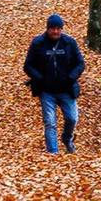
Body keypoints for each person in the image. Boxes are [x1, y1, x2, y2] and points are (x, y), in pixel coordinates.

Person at [24, 13, 84, 154]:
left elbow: (80, 63)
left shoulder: (69, 42)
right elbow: (28, 66)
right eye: (53, 28)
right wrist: (40, 78)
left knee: (72, 118)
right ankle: (53, 154)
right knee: (50, 122)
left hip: (67, 90)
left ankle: (66, 138)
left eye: (58, 28)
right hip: (47, 91)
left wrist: (71, 77)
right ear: (47, 29)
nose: (55, 31)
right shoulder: (38, 43)